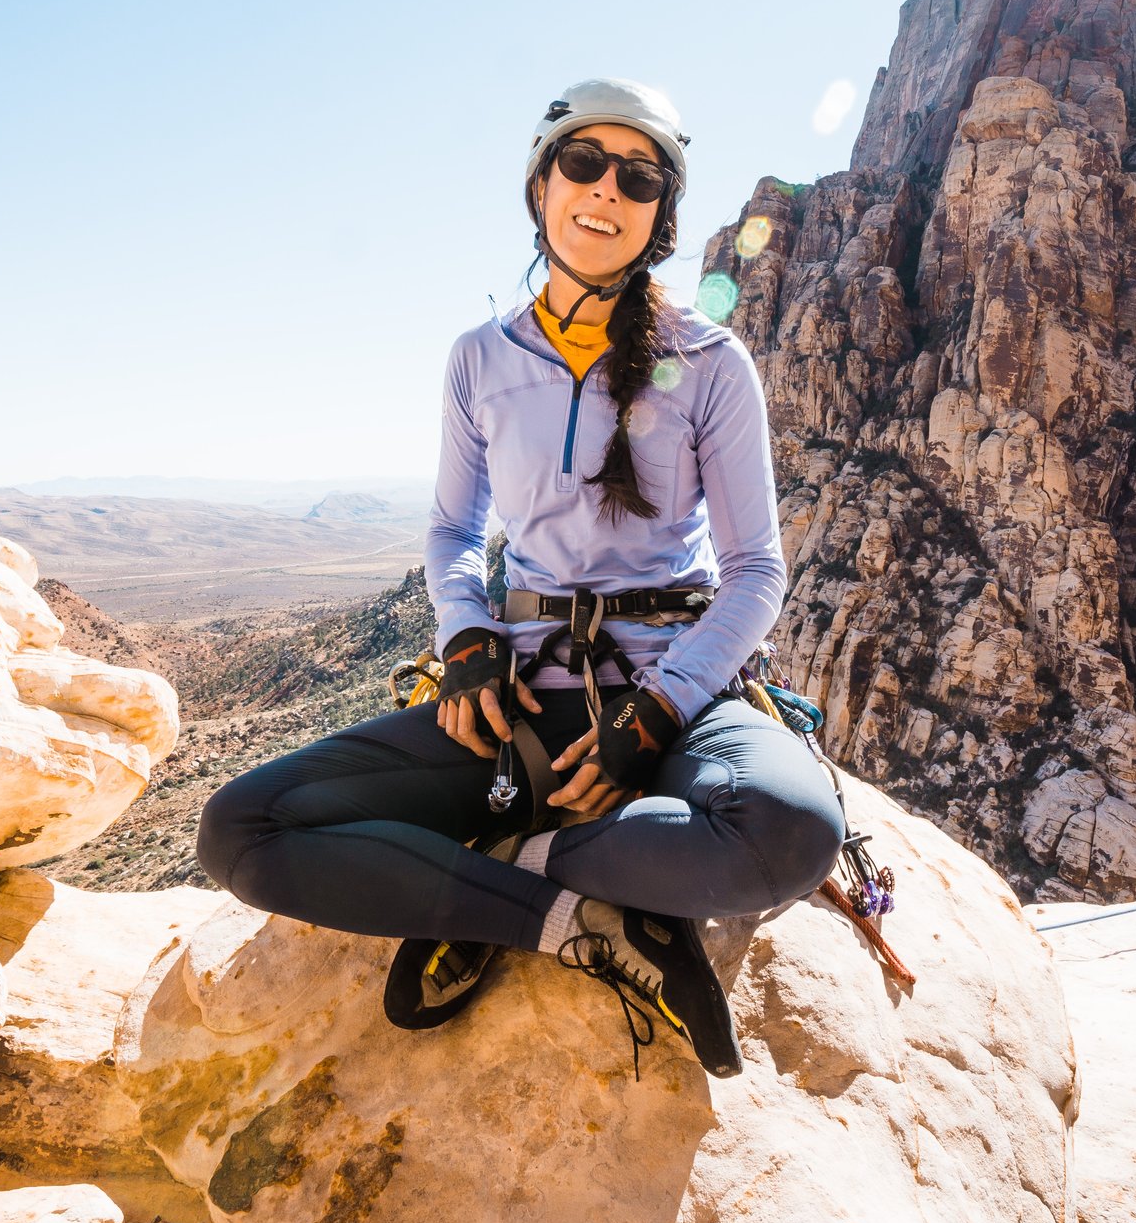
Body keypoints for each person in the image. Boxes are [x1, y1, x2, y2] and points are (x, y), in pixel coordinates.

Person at [196, 78, 845, 1077]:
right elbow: (455, 528)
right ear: (541, 185)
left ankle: (520, 856)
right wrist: (464, 636)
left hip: (674, 688)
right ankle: (566, 913)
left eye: (637, 177)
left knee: (792, 828)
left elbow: (757, 568)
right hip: (521, 690)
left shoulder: (711, 362)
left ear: (659, 216)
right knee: (239, 829)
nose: (605, 191)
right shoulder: (480, 359)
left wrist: (656, 717)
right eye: (583, 163)